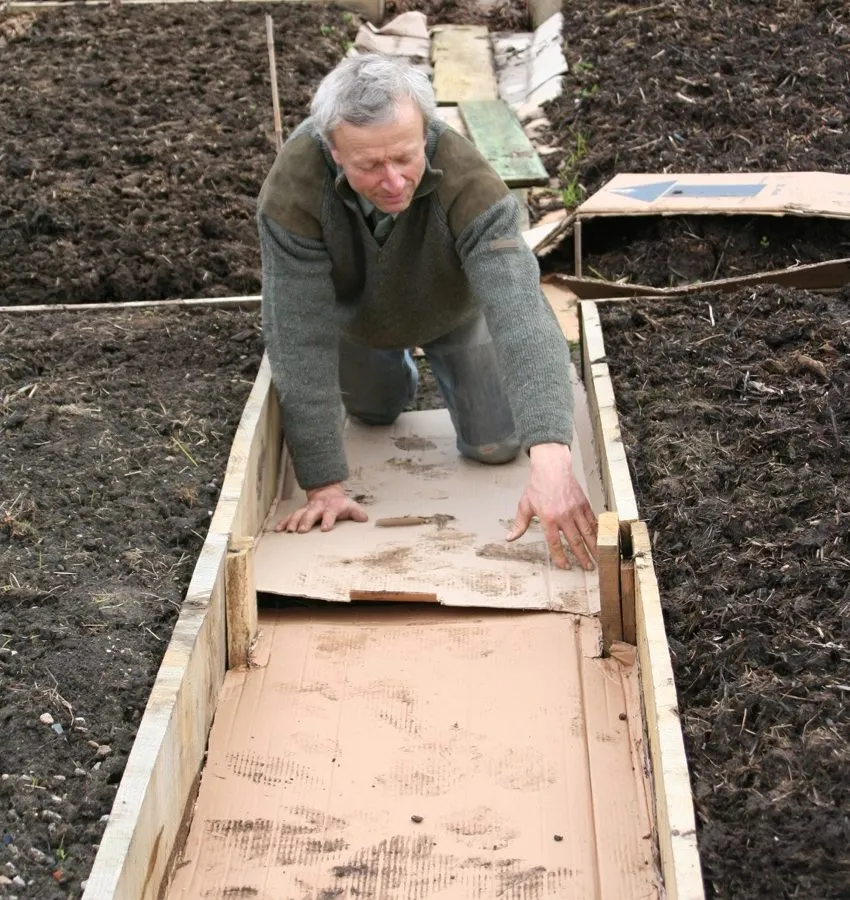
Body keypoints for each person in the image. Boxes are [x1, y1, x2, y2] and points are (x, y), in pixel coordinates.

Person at [257, 53, 597, 571]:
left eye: (405, 158)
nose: (393, 182)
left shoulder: (470, 182)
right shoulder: (294, 189)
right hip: (356, 323)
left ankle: (438, 366)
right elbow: (297, 331)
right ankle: (397, 374)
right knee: (373, 416)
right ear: (332, 149)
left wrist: (550, 452)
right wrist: (322, 481)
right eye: (369, 166)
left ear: (425, 130)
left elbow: (521, 308)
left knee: (497, 445)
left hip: (453, 313)